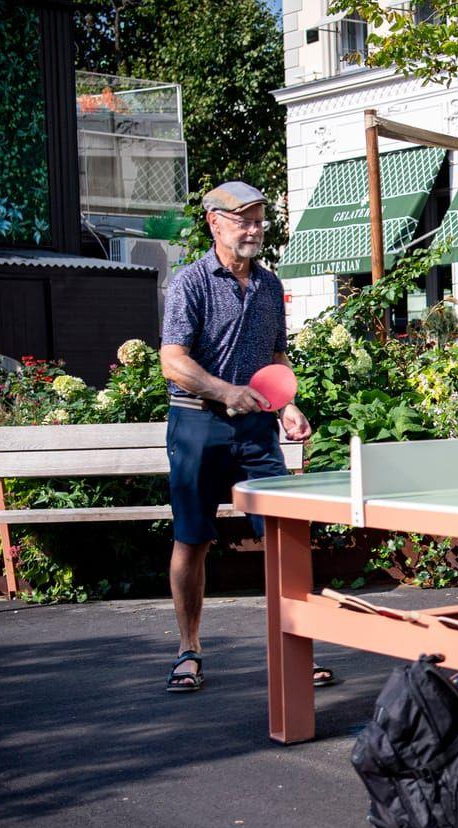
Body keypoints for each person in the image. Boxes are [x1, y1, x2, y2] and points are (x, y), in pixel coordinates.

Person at [158, 181, 329, 693]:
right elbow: (173, 361)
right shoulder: (190, 283)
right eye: (243, 221)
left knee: (284, 536)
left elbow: (275, 358)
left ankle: (297, 649)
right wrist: (224, 391)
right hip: (197, 424)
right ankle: (188, 651)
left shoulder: (270, 286)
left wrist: (287, 404)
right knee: (193, 538)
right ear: (214, 222)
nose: (253, 230)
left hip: (255, 429)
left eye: (258, 220)